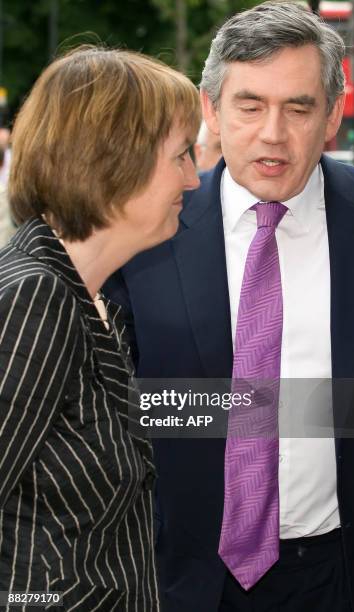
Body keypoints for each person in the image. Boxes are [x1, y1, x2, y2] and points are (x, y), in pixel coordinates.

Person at [103, 2, 354, 611]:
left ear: (333, 113)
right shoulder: (146, 229)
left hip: (342, 574)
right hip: (179, 579)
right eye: (250, 106)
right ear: (211, 111)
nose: (273, 133)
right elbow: (117, 410)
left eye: (299, 108)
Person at [0, 46, 200, 610]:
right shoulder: (35, 298)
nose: (193, 178)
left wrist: (333, 411)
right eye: (181, 155)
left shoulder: (84, 297)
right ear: (116, 159)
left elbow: (131, 421)